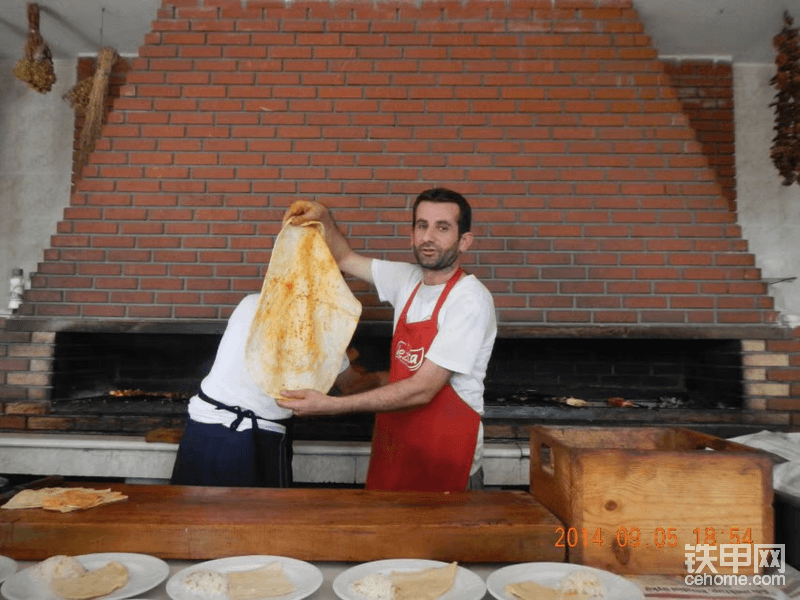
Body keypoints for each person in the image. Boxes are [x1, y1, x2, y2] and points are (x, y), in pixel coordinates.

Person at [277, 188, 497, 492]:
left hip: (446, 457)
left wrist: (330, 405)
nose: (428, 237)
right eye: (422, 226)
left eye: (442, 227)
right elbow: (344, 257)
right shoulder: (406, 279)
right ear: (412, 234)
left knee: (445, 541)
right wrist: (324, 218)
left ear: (464, 241)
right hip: (398, 449)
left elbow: (422, 390)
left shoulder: (470, 299)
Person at [170, 292, 373, 488]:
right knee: (262, 520)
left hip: (201, 428)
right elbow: (351, 385)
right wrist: (386, 377)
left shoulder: (251, 301)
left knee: (190, 516)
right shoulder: (322, 324)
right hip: (252, 440)